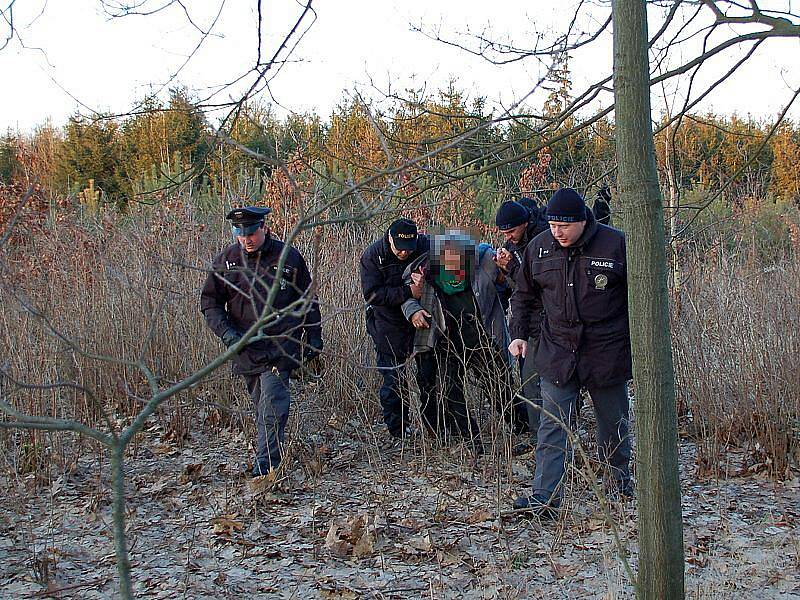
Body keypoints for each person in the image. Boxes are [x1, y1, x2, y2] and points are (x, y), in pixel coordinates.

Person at [508, 188, 633, 517]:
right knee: (552, 426)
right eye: (552, 224)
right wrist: (518, 335)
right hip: (558, 350)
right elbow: (523, 296)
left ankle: (620, 484)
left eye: (564, 225)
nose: (557, 232)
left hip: (606, 351)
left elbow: (640, 296)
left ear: (582, 221)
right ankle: (545, 498)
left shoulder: (615, 244)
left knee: (613, 423)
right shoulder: (538, 248)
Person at [200, 206, 322, 476]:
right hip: (246, 348)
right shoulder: (226, 261)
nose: (247, 239)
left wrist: (314, 336)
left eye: (251, 233)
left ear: (264, 228)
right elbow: (210, 304)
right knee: (262, 406)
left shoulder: (288, 256)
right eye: (240, 234)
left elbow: (308, 299)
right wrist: (228, 334)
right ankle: (269, 452)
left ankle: (267, 466)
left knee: (272, 405)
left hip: (281, 346)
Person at [401, 230, 526, 452]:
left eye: (461, 262)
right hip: (446, 341)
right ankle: (472, 442)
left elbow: (516, 286)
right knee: (451, 392)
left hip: (482, 337)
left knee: (500, 386)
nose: (456, 268)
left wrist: (508, 268)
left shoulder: (484, 263)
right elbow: (407, 296)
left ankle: (523, 427)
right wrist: (414, 311)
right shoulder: (424, 270)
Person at [359, 218, 430, 438]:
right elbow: (372, 295)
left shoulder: (426, 246)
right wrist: (408, 292)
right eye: (399, 249)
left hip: (424, 321)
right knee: (393, 381)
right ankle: (399, 430)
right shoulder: (372, 256)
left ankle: (434, 426)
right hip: (386, 324)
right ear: (389, 239)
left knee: (429, 376)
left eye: (408, 250)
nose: (404, 254)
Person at [494, 199, 550, 453]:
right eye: (504, 233)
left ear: (524, 223)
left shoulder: (545, 238)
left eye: (511, 231)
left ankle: (549, 440)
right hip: (527, 324)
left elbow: (536, 284)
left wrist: (512, 268)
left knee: (541, 382)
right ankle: (538, 436)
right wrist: (505, 271)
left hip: (549, 322)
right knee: (529, 381)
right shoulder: (511, 245)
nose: (508, 237)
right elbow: (519, 291)